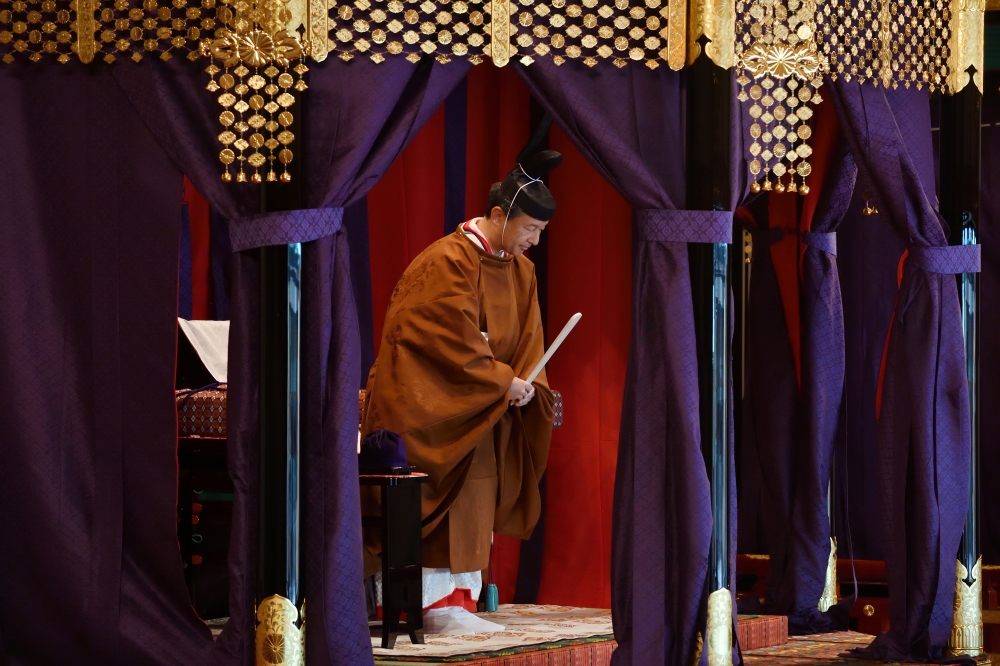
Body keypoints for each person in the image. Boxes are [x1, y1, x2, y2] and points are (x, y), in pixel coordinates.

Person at [360, 150, 561, 633]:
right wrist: (498, 381)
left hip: (482, 405)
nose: (533, 241)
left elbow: (531, 340)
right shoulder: (447, 259)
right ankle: (427, 604)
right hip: (429, 403)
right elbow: (440, 336)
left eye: (540, 233)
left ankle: (459, 601)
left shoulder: (522, 271)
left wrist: (527, 385)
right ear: (498, 215)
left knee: (478, 490)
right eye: (528, 229)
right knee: (436, 488)